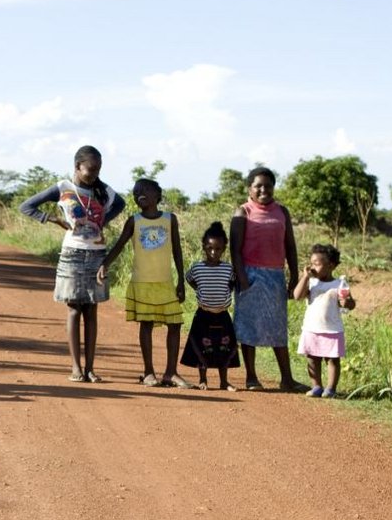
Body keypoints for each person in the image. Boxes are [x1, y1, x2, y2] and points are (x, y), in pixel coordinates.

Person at [19, 146, 124, 381]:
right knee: (74, 309)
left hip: (97, 255)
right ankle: (76, 368)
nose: (95, 174)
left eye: (98, 169)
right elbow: (26, 206)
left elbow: (121, 204)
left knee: (92, 311)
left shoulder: (103, 191)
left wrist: (101, 220)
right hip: (71, 255)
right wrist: (53, 219)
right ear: (77, 166)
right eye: (91, 169)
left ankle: (91, 369)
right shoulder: (63, 188)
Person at [98, 178, 188, 387]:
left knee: (175, 324)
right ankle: (149, 372)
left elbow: (177, 251)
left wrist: (181, 282)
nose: (140, 192)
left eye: (145, 189)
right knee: (146, 325)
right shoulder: (134, 221)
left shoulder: (170, 219)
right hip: (142, 283)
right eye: (136, 190)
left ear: (158, 195)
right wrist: (105, 264)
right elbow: (119, 245)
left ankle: (171, 372)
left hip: (165, 282)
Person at [229, 167, 306, 392]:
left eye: (268, 185)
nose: (264, 190)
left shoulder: (282, 211)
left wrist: (293, 275)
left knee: (278, 328)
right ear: (249, 189)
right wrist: (242, 279)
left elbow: (290, 246)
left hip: (275, 276)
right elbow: (235, 249)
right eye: (258, 186)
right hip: (250, 275)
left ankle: (287, 379)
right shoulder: (242, 212)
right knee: (249, 327)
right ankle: (251, 377)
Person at [179, 221, 240, 390]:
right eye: (210, 248)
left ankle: (224, 381)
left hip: (222, 314)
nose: (214, 252)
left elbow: (232, 283)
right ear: (204, 247)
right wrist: (201, 290)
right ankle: (203, 380)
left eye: (218, 249)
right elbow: (189, 279)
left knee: (224, 347)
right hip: (203, 314)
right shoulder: (197, 268)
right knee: (202, 346)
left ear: (224, 249)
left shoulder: (228, 269)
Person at [294, 243, 355, 398]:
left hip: (332, 329)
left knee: (332, 360)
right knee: (312, 359)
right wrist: (305, 277)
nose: (312, 267)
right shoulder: (312, 282)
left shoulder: (339, 283)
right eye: (311, 263)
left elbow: (349, 303)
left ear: (331, 266)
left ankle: (331, 388)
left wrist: (347, 302)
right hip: (312, 328)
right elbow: (297, 296)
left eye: (317, 264)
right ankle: (316, 386)